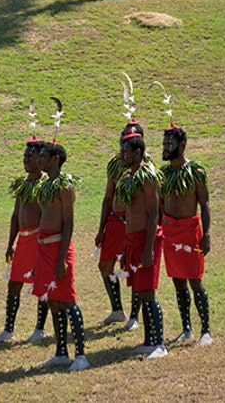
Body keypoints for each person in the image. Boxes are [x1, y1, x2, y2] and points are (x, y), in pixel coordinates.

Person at [32, 140, 90, 370]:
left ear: (56, 159)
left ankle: (81, 356)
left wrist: (61, 258)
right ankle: (61, 352)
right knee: (52, 300)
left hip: (58, 248)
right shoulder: (47, 185)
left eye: (44, 155)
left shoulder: (65, 185)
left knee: (67, 301)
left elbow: (68, 223)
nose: (39, 159)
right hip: (44, 248)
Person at [0, 137, 50, 343]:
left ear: (40, 159)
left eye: (30, 156)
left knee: (40, 283)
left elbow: (45, 216)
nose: (25, 160)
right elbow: (15, 216)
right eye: (24, 156)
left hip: (38, 240)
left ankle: (40, 328)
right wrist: (10, 243)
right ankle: (8, 329)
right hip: (23, 240)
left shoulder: (44, 185)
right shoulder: (23, 184)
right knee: (14, 284)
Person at [160, 125, 212, 347]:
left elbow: (205, 204)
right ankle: (186, 328)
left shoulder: (196, 172)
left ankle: (206, 330)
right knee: (178, 280)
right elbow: (160, 204)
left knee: (195, 280)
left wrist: (207, 234)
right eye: (164, 144)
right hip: (170, 231)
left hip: (190, 231)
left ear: (182, 145)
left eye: (169, 144)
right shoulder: (163, 175)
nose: (165, 148)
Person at [118, 131, 167, 360]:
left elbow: (154, 212)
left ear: (138, 152)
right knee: (140, 290)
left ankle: (160, 344)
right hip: (133, 240)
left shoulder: (148, 176)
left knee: (148, 292)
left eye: (125, 151)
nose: (121, 154)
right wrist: (128, 248)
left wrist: (148, 248)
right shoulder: (130, 177)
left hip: (148, 239)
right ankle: (149, 341)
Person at [95, 122, 140, 329]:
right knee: (105, 265)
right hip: (114, 222)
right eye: (122, 138)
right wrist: (101, 228)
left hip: (133, 224)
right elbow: (107, 197)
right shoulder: (114, 166)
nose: (123, 142)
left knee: (133, 269)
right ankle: (117, 310)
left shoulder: (144, 170)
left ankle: (134, 316)